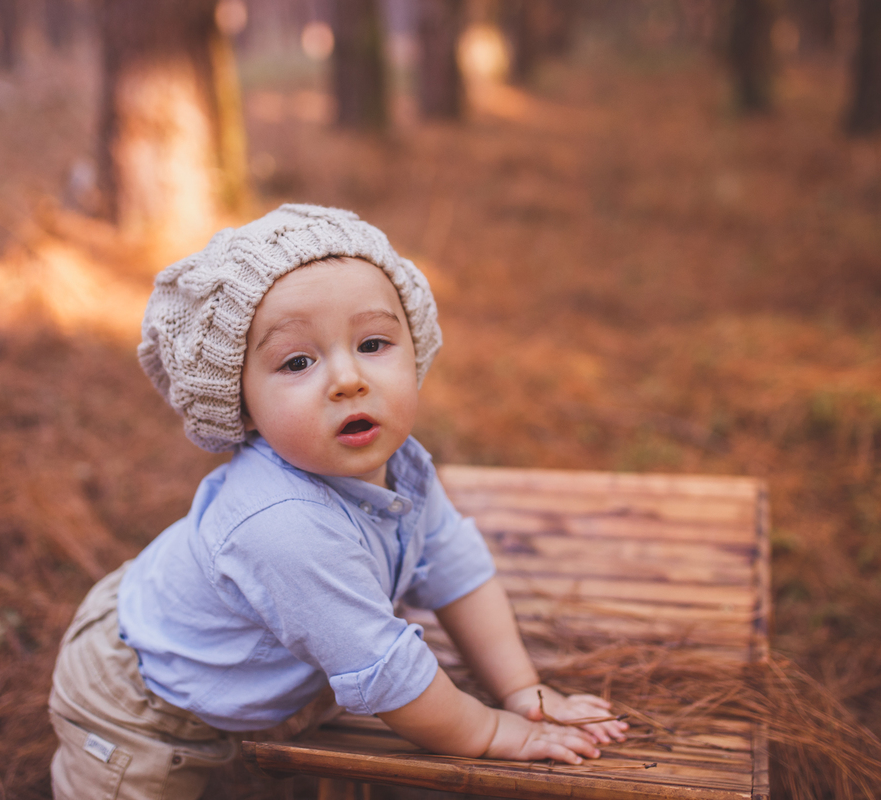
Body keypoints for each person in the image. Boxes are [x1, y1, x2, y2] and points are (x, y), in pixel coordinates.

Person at [48, 204, 628, 800]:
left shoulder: (400, 466)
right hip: (139, 694)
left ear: (415, 346)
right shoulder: (282, 527)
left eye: (373, 342)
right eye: (298, 362)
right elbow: (385, 672)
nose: (348, 378)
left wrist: (520, 691)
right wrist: (488, 732)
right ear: (240, 403)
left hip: (216, 632)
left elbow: (454, 564)